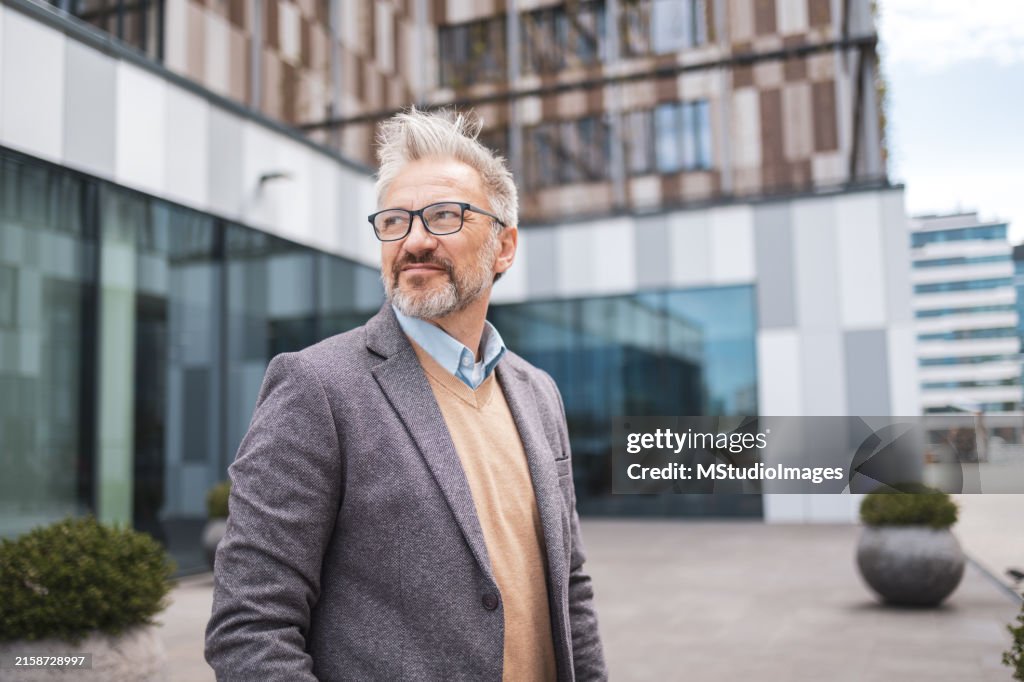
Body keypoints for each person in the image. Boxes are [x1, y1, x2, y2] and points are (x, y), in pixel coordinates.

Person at [205, 108, 607, 681]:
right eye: (395, 221)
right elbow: (249, 626)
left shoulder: (538, 393)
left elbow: (570, 589)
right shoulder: (317, 387)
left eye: (444, 216)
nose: (414, 240)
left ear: (504, 246)